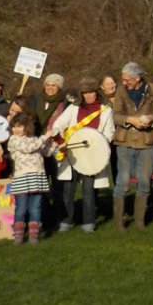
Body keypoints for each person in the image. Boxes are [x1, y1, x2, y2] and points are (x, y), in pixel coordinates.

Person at [47, 77, 115, 233]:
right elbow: (59, 123)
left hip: (91, 155)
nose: (88, 95)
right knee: (68, 189)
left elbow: (109, 132)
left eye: (91, 92)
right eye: (85, 93)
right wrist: (58, 137)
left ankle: (88, 221)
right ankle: (67, 220)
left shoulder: (105, 110)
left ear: (97, 92)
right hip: (72, 152)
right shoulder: (73, 108)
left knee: (88, 190)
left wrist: (99, 145)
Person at [111, 62, 153, 231]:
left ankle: (139, 222)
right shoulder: (121, 91)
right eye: (123, 79)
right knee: (122, 182)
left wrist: (151, 118)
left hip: (146, 142)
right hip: (125, 141)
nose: (124, 83)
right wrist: (130, 120)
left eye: (127, 80)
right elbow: (116, 116)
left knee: (144, 182)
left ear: (137, 78)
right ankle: (119, 223)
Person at [6, 113, 59, 245]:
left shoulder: (35, 139)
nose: (16, 129)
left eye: (20, 126)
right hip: (22, 178)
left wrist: (51, 143)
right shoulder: (13, 140)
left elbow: (46, 153)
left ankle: (34, 235)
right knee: (21, 208)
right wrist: (44, 137)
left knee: (35, 207)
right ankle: (18, 235)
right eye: (14, 126)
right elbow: (29, 148)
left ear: (27, 126)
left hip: (37, 177)